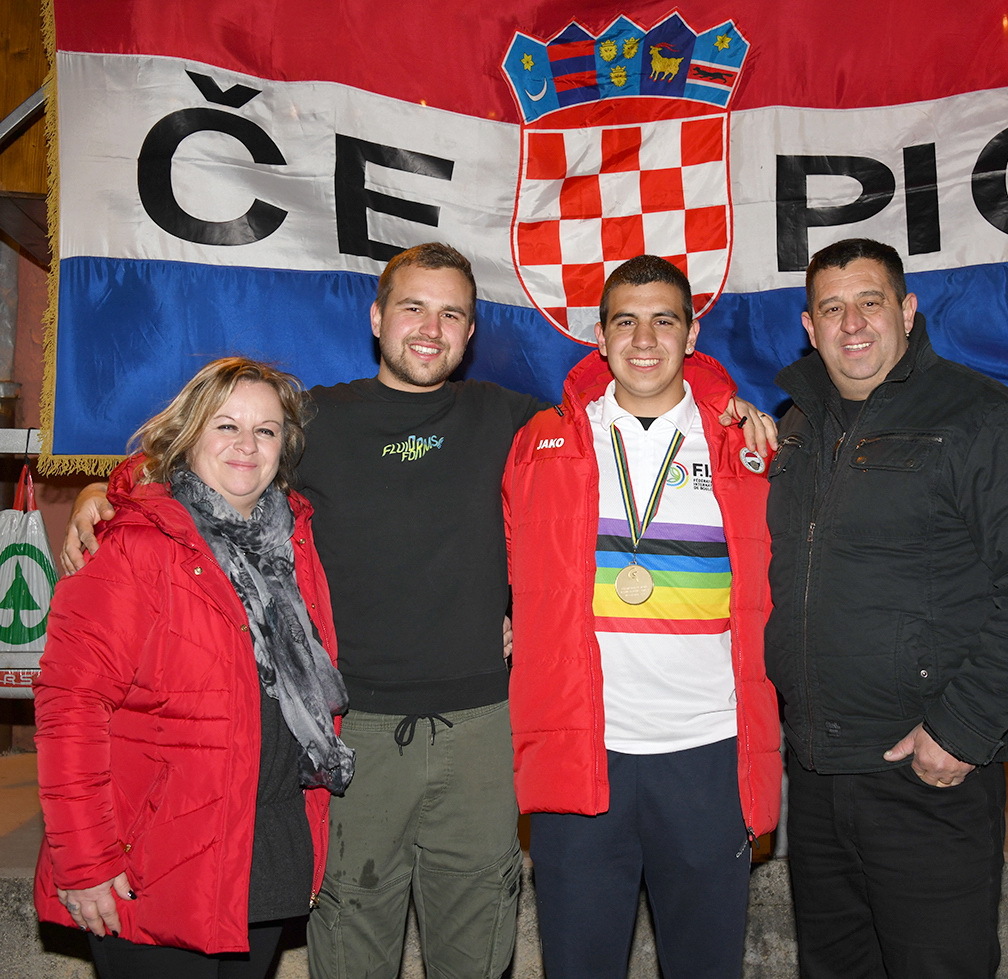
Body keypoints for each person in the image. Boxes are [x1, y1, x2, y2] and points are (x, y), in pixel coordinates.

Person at [61, 243, 777, 979]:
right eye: (412, 307)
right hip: (352, 736)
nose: (430, 328)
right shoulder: (315, 419)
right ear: (377, 318)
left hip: (482, 734)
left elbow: (626, 383)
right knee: (351, 945)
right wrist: (106, 492)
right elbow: (206, 452)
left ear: (470, 333)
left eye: (451, 313)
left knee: (477, 950)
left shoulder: (521, 425)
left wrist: (729, 403)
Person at [765, 238, 1008, 978]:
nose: (852, 323)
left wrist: (960, 726)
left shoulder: (985, 419)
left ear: (907, 311)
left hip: (927, 778)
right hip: (816, 778)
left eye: (870, 302)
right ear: (808, 327)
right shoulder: (797, 427)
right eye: (832, 307)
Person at [503, 255, 782, 978]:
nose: (645, 338)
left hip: (709, 752)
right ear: (600, 336)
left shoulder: (747, 448)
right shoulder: (542, 446)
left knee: (703, 965)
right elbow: (503, 558)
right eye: (625, 320)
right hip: (582, 754)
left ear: (692, 335)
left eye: (665, 319)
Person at [35, 357, 354, 979]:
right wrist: (84, 862)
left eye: (266, 430)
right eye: (225, 425)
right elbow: (69, 708)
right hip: (151, 863)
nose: (246, 445)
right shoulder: (130, 544)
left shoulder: (291, 543)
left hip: (261, 851)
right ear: (188, 435)